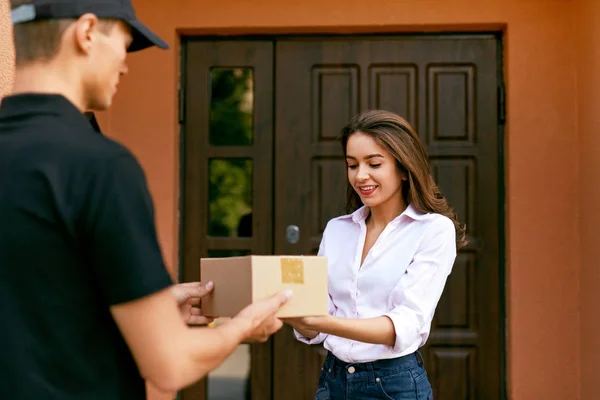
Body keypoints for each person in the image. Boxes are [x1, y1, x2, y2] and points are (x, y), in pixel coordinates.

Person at [0, 1, 291, 398]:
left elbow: (36, 293)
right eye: (124, 44)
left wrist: (147, 302)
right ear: (86, 33)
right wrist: (241, 325)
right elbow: (170, 364)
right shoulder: (99, 165)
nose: (124, 65)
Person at [284, 110, 467, 400]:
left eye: (374, 163)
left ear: (404, 168)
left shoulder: (433, 230)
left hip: (393, 385)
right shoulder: (337, 230)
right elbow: (321, 319)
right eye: (352, 165)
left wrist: (318, 322)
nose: (360, 176)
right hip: (333, 380)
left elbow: (405, 325)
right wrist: (293, 315)